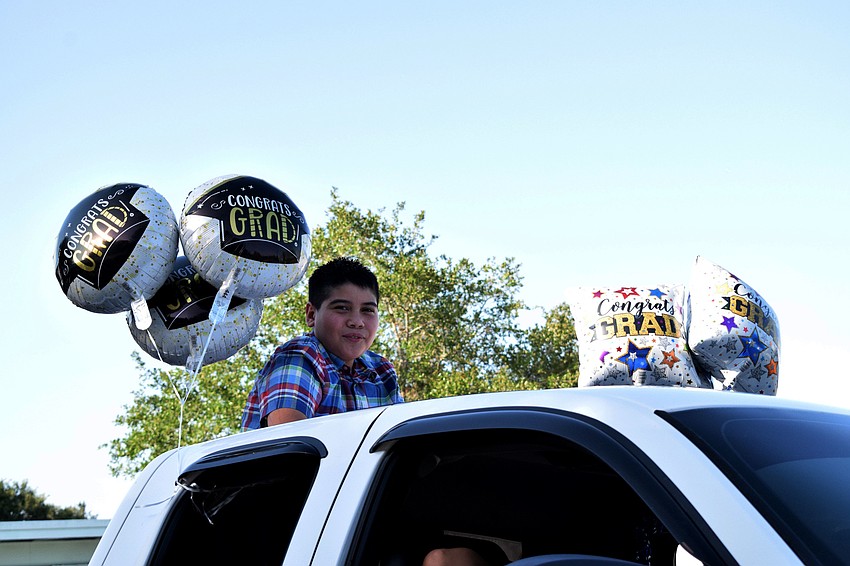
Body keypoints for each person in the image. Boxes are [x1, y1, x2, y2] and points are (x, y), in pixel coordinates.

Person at [241, 256, 403, 429]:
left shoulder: (382, 372)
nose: (357, 321)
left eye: (367, 310)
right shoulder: (300, 358)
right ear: (311, 315)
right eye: (342, 308)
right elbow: (289, 443)